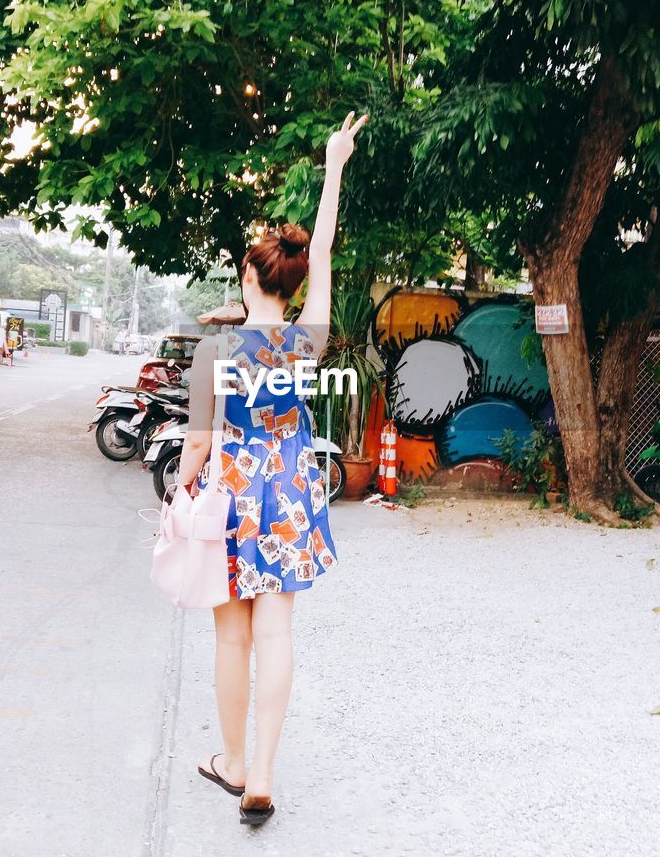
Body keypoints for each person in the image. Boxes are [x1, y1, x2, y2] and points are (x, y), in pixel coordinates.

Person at [175, 111, 367, 827]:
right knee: (278, 633)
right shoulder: (305, 340)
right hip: (289, 491)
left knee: (232, 635)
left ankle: (229, 762)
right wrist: (334, 165)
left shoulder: (212, 353)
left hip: (230, 491)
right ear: (285, 283)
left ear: (247, 276)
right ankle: (261, 773)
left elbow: (197, 445)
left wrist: (181, 487)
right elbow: (322, 250)